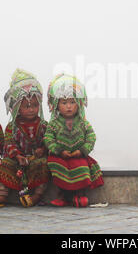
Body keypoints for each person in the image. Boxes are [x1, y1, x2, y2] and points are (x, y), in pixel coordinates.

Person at [0, 69, 49, 209]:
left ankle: (36, 196)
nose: (31, 109)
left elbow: (48, 141)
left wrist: (42, 150)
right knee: (5, 164)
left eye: (35, 105)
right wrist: (18, 156)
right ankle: (1, 197)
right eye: (26, 106)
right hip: (17, 160)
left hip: (35, 159)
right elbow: (9, 144)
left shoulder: (43, 125)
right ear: (16, 108)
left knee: (43, 164)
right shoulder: (11, 127)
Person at [44, 74, 104, 207]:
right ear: (56, 105)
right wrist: (59, 151)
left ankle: (80, 194)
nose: (69, 106)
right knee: (58, 167)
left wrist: (81, 151)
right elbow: (48, 138)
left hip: (78, 155)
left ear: (79, 104)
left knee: (81, 168)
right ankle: (63, 196)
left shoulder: (83, 123)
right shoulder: (53, 123)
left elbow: (91, 137)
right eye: (64, 103)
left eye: (72, 102)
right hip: (60, 156)